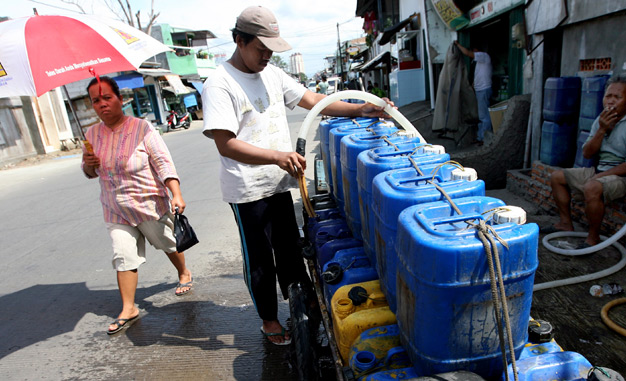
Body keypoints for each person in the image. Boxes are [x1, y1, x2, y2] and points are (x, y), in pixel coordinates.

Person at [201, 5, 394, 346]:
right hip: (247, 190)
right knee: (260, 260)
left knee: (290, 249)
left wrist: (358, 108)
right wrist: (277, 156)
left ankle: (301, 305)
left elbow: (313, 100)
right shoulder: (220, 83)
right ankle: (269, 319)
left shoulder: (272, 74)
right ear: (238, 40)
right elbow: (226, 144)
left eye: (270, 50)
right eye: (260, 49)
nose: (266, 57)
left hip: (279, 182)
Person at [81, 76, 194, 335]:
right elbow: (89, 173)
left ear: (120, 99)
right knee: (123, 255)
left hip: (148, 204)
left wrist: (176, 193)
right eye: (96, 101)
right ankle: (129, 307)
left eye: (107, 98)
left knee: (167, 243)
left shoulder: (142, 128)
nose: (102, 104)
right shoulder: (91, 135)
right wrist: (88, 162)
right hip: (115, 208)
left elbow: (163, 162)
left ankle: (184, 272)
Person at [546, 75, 626, 247]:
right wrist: (602, 129)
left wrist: (598, 177)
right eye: (608, 96)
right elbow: (587, 153)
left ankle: (593, 237)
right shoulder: (601, 120)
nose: (611, 102)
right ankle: (566, 223)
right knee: (557, 176)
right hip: (603, 170)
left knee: (592, 186)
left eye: (617, 97)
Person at [455, 41, 492, 145]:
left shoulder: (483, 56)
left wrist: (458, 44)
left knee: (484, 116)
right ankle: (480, 136)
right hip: (480, 90)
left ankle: (484, 138)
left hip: (483, 89)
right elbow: (479, 74)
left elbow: (467, 53)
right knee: (481, 115)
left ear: (476, 50)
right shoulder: (480, 61)